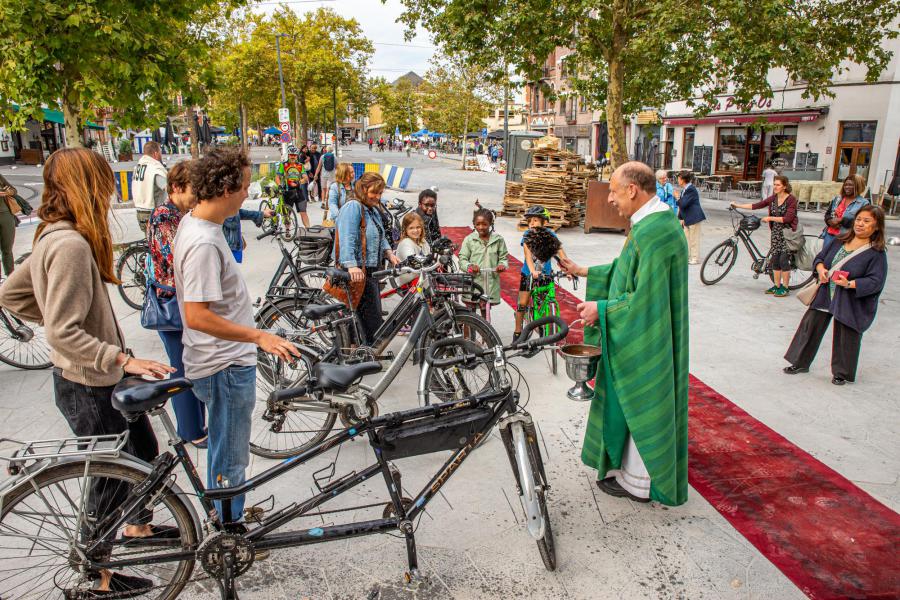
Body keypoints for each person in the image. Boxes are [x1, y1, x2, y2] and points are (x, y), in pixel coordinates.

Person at [0, 148, 176, 595]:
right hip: (87, 383)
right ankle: (96, 575)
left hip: (89, 379)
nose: (107, 190)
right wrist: (118, 358)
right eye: (102, 181)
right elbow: (63, 332)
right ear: (88, 186)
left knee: (142, 453)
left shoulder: (54, 234)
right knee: (109, 479)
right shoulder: (69, 245)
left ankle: (138, 527)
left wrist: (62, 318)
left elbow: (14, 294)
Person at [173, 146, 299, 527]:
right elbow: (197, 316)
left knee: (222, 450)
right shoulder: (204, 243)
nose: (248, 193)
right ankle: (229, 532)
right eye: (245, 186)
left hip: (219, 361)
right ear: (226, 188)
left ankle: (222, 515)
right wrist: (257, 336)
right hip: (223, 364)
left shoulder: (197, 226)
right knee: (230, 457)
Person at [559, 161, 688, 506]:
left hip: (645, 338)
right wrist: (583, 270)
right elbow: (625, 269)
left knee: (641, 401)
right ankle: (629, 472)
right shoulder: (653, 223)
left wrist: (600, 310)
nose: (611, 200)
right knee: (629, 401)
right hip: (639, 331)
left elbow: (646, 300)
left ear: (632, 189)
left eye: (614, 191)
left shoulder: (654, 231)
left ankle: (641, 482)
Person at [784, 206, 887, 385]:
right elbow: (820, 258)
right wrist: (821, 269)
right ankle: (799, 362)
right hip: (826, 292)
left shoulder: (876, 253)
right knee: (810, 327)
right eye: (859, 219)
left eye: (866, 221)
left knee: (847, 334)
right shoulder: (840, 240)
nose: (860, 224)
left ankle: (842, 372)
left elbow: (875, 281)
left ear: (877, 226)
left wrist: (850, 284)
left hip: (849, 299)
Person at [145, 160, 207, 446]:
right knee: (181, 369)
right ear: (176, 187)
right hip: (171, 304)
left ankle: (198, 427)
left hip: (185, 300)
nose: (198, 196)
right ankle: (190, 432)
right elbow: (176, 259)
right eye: (194, 189)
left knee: (194, 365)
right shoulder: (163, 215)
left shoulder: (184, 213)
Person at [333, 172, 401, 344]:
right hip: (358, 270)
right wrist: (351, 266)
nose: (377, 197)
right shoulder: (353, 207)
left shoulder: (372, 210)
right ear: (363, 189)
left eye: (380, 193)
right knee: (366, 315)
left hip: (371, 268)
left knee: (371, 315)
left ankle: (365, 348)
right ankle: (360, 349)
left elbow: (380, 234)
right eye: (373, 193)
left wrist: (389, 253)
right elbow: (347, 237)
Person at [731, 174, 799, 297]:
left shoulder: (791, 200)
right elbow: (757, 205)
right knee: (775, 260)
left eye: (778, 185)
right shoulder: (773, 198)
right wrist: (738, 205)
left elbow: (789, 218)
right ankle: (777, 286)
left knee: (784, 260)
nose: (775, 187)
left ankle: (785, 287)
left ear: (784, 186)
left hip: (788, 234)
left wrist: (770, 218)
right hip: (776, 234)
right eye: (774, 184)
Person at [513, 205, 569, 341]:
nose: (532, 223)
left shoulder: (551, 235)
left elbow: (561, 253)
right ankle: (518, 331)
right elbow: (528, 256)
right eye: (530, 221)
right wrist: (532, 271)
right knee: (523, 303)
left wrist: (568, 269)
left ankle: (543, 326)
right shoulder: (527, 235)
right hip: (528, 274)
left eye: (536, 220)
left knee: (544, 301)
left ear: (545, 222)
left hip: (546, 275)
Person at [458, 206, 509, 318]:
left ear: (490, 223)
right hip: (472, 283)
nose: (481, 227)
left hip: (489, 283)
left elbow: (504, 257)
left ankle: (486, 335)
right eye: (478, 224)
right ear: (474, 224)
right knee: (469, 314)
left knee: (485, 312)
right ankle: (467, 336)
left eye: (484, 224)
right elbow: (462, 259)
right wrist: (469, 266)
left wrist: (502, 265)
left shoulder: (498, 240)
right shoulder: (469, 240)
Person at [823, 174, 869, 250]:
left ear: (857, 186)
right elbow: (827, 214)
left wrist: (842, 220)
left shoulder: (863, 203)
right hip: (830, 235)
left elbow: (862, 223)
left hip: (847, 237)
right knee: (826, 258)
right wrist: (829, 221)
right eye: (845, 185)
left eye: (850, 185)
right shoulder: (838, 199)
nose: (847, 187)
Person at [132, 141, 167, 234]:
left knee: (150, 243)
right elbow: (168, 188)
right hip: (152, 212)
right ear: (156, 153)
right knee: (159, 245)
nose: (161, 155)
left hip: (140, 211)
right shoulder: (154, 168)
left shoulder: (139, 166)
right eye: (160, 152)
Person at [275, 146, 310, 228]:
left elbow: (305, 178)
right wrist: (279, 185)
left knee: (303, 212)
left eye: (294, 155)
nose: (293, 156)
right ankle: (287, 230)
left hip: (298, 191)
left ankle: (308, 229)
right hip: (287, 191)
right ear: (288, 155)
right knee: (287, 213)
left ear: (297, 155)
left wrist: (298, 182)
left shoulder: (300, 165)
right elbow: (277, 177)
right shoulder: (283, 165)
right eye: (291, 155)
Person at [676, 171, 705, 265]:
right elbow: (682, 207)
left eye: (679, 178)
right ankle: (688, 257)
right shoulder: (685, 189)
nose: (677, 180)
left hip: (694, 217)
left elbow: (683, 203)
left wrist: (677, 197)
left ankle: (695, 258)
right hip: (687, 218)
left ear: (683, 180)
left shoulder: (691, 189)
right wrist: (681, 218)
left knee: (694, 239)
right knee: (686, 239)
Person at [395, 212, 431, 287]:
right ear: (405, 229)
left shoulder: (422, 241)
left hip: (421, 278)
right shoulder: (406, 242)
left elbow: (430, 254)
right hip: (409, 282)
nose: (415, 231)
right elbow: (413, 259)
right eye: (411, 228)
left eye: (418, 227)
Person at [0, 173, 19, 276]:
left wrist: (7, 192)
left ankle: (10, 276)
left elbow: (14, 190)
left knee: (7, 249)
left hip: (6, 215)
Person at [317, 145, 337, 209]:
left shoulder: (322, 157)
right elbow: (337, 167)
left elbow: (319, 167)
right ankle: (327, 203)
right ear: (332, 150)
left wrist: (316, 174)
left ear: (326, 150)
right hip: (332, 175)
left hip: (323, 175)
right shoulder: (334, 157)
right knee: (329, 189)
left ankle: (323, 202)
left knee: (323, 189)